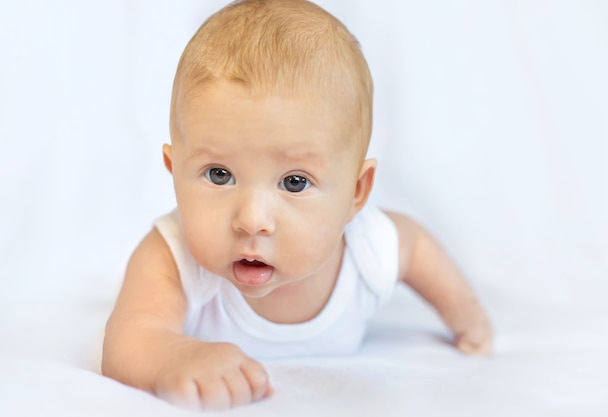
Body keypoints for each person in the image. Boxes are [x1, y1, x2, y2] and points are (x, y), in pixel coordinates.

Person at [101, 0, 493, 410]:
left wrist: (466, 316)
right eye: (219, 175)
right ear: (174, 169)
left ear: (356, 193)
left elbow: (418, 250)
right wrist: (171, 356)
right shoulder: (172, 257)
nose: (252, 220)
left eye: (294, 182)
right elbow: (130, 339)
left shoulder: (369, 248)